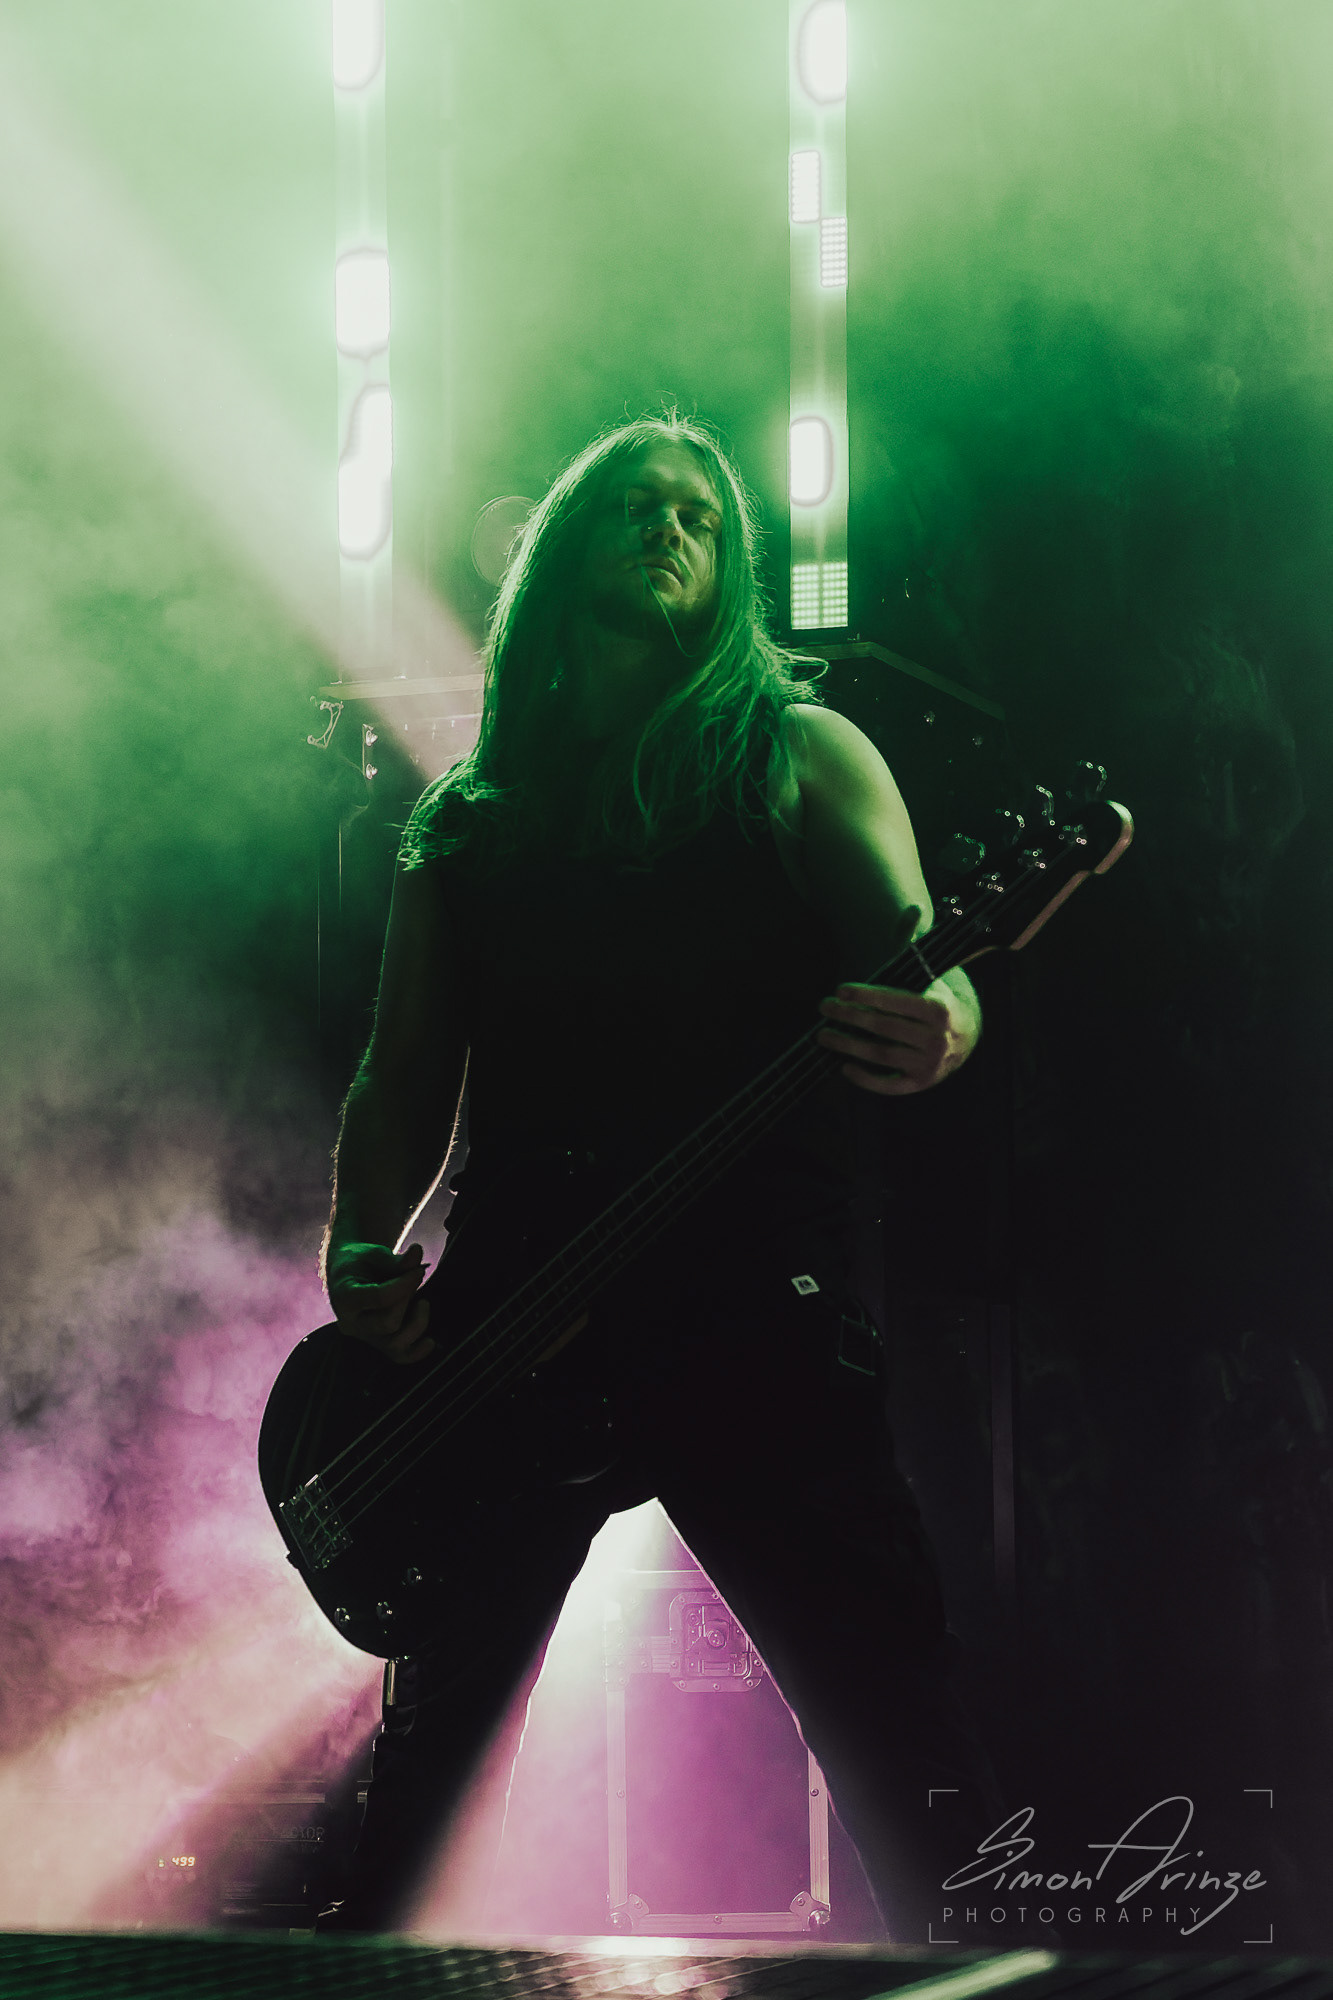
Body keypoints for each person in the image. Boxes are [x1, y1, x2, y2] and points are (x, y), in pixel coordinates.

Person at [319, 415, 1000, 1941]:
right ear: (561, 552)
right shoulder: (468, 824)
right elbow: (403, 1066)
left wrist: (941, 1024)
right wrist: (361, 1242)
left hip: (756, 1305)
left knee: (900, 1740)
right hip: (513, 1318)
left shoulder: (800, 754)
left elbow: (926, 957)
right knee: (418, 1798)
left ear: (728, 569)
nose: (668, 524)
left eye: (698, 512)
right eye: (633, 503)